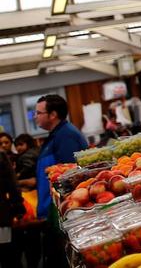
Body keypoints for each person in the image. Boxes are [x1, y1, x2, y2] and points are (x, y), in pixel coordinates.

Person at [30, 94, 87, 268]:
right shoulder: (56, 136)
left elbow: (70, 177)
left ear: (53, 114)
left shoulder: (65, 136)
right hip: (53, 213)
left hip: (62, 216)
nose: (35, 116)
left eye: (39, 112)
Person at [12, 134, 40, 268]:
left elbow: (26, 171)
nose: (18, 148)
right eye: (16, 145)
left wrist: (16, 178)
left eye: (20, 144)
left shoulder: (26, 156)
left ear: (28, 144)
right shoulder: (36, 152)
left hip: (30, 197)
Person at [0, 151, 25, 268]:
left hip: (2, 217)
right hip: (2, 216)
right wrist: (18, 207)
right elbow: (12, 184)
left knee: (7, 253)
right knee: (7, 254)